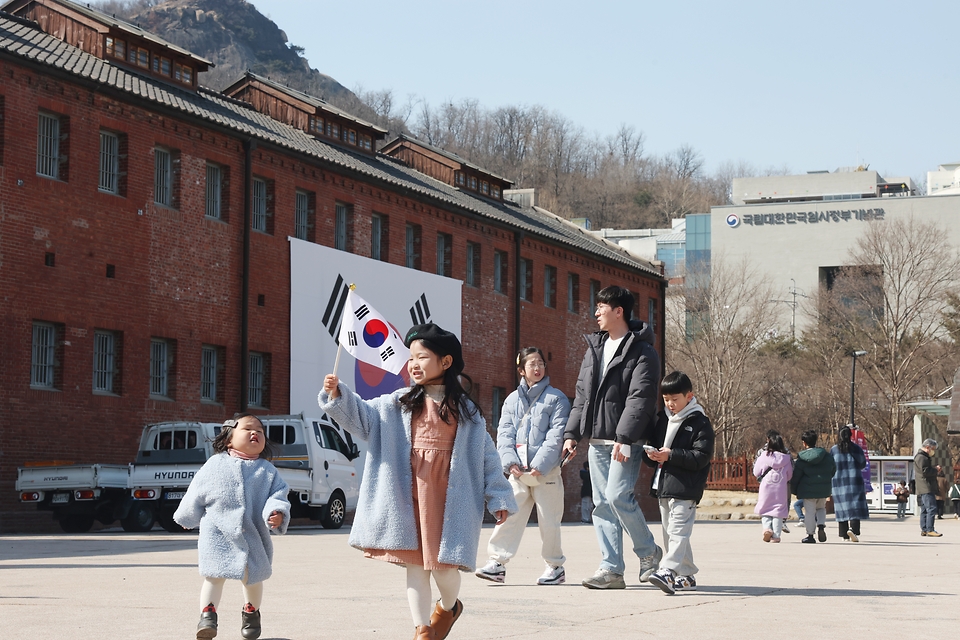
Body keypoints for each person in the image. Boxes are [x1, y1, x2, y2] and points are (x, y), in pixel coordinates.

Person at [319, 323, 516, 640]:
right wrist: (338, 395)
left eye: (422, 357)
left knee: (444, 569)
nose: (413, 364)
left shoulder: (466, 411)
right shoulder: (396, 403)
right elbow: (363, 419)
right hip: (408, 495)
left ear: (446, 362)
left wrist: (499, 497)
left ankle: (449, 608)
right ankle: (421, 628)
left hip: (449, 498)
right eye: (411, 358)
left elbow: (487, 457)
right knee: (415, 566)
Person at [561, 286, 662, 590]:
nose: (596, 312)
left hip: (625, 440)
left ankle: (648, 552)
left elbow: (640, 398)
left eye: (602, 306)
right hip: (597, 441)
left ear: (619, 311)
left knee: (618, 496)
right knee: (602, 504)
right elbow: (582, 395)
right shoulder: (595, 348)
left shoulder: (643, 351)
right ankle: (611, 569)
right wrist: (572, 433)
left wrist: (624, 437)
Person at [174, 414, 291, 640]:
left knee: (253, 578)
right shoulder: (215, 464)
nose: (255, 433)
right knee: (214, 576)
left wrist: (276, 513)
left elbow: (278, 495)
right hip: (217, 532)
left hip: (253, 533)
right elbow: (196, 491)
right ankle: (207, 615)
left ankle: (251, 611)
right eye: (247, 429)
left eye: (260, 430)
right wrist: (188, 516)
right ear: (229, 439)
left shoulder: (267, 471)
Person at [476, 347, 570, 586]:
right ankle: (497, 563)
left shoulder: (556, 398)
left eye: (540, 364)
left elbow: (556, 435)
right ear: (521, 370)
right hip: (518, 472)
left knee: (549, 520)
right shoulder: (511, 400)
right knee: (509, 516)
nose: (537, 368)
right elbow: (504, 432)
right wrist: (509, 463)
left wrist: (540, 464)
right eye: (532, 365)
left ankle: (555, 566)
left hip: (545, 472)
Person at [642, 371, 714, 595]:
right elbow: (653, 445)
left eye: (675, 399)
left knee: (678, 531)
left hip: (687, 486)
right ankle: (687, 573)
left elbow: (701, 457)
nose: (670, 404)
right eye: (666, 399)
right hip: (664, 484)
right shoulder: (662, 418)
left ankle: (667, 570)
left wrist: (671, 455)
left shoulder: (700, 422)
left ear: (689, 396)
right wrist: (651, 455)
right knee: (669, 532)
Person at [790, 430, 836, 544]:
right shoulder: (826, 456)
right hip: (823, 488)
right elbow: (833, 469)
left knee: (809, 512)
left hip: (808, 489)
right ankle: (821, 526)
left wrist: (794, 489)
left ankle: (810, 535)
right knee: (821, 508)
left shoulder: (802, 458)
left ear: (804, 443)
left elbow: (796, 475)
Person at [753, 430, 793, 543]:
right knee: (778, 511)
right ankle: (776, 535)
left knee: (765, 508)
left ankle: (767, 529)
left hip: (766, 487)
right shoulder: (786, 458)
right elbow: (789, 474)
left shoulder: (763, 456)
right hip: (781, 489)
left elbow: (756, 472)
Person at [830, 426, 869, 542]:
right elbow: (862, 464)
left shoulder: (834, 449)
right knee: (855, 505)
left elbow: (830, 466)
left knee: (841, 506)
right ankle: (853, 529)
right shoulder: (856, 449)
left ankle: (843, 534)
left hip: (838, 482)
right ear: (850, 436)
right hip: (854, 480)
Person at [914, 439, 942, 537]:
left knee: (924, 509)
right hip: (926, 486)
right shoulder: (922, 457)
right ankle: (930, 529)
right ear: (928, 447)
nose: (933, 451)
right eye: (933, 449)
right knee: (931, 508)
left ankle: (924, 529)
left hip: (922, 486)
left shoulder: (920, 457)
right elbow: (925, 471)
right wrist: (935, 469)